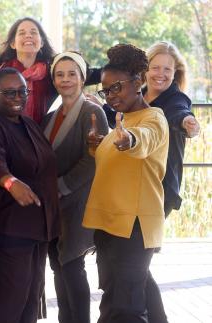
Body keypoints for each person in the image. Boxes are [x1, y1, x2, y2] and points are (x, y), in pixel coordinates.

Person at [83, 43, 169, 323]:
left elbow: (142, 140)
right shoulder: (123, 120)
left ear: (138, 82)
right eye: (106, 90)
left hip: (132, 227)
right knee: (122, 298)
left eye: (116, 87)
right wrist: (99, 146)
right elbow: (121, 164)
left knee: (124, 309)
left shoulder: (152, 119)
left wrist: (128, 140)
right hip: (111, 226)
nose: (110, 96)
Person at [0, 67, 59, 322]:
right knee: (8, 303)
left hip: (38, 227)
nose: (17, 97)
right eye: (9, 92)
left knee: (31, 300)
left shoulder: (28, 124)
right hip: (11, 229)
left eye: (22, 91)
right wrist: (10, 182)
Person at [41, 52, 109, 323]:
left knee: (71, 265)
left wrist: (61, 186)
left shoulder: (93, 113)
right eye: (60, 74)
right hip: (53, 203)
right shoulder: (50, 116)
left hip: (77, 200)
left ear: (82, 79)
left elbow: (94, 161)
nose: (66, 79)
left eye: (72, 74)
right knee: (58, 266)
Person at [142, 41, 200, 323]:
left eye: (167, 69)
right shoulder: (137, 96)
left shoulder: (175, 99)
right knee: (132, 265)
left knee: (136, 265)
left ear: (175, 72)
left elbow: (181, 114)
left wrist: (188, 123)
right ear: (146, 69)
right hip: (133, 189)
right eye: (155, 68)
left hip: (159, 192)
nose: (160, 74)